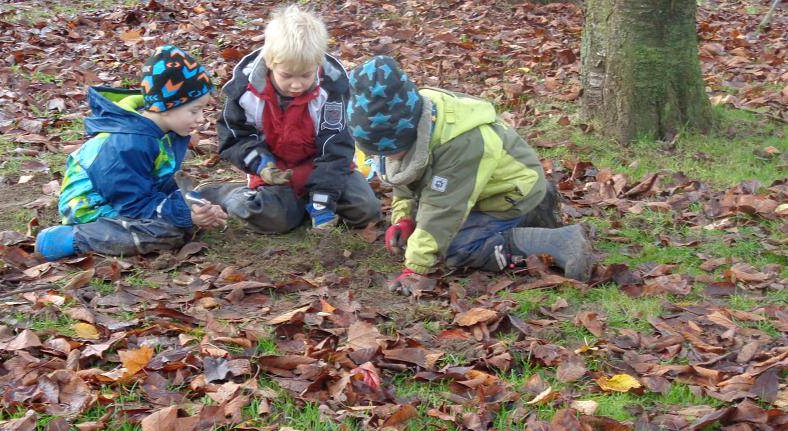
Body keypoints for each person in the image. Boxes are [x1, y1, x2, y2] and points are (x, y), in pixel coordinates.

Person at [346, 56, 593, 295]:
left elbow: (443, 211)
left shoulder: (460, 144)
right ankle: (537, 213)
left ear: (406, 135)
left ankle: (560, 241)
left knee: (456, 248)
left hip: (509, 194)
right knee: (430, 233)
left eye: (390, 151)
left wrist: (416, 267)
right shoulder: (416, 120)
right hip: (478, 189)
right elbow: (404, 176)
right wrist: (404, 218)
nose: (387, 158)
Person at [35, 45, 227, 261]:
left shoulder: (165, 131)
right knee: (167, 233)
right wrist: (185, 213)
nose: (201, 119)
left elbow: (161, 181)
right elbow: (132, 203)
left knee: (203, 200)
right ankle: (70, 238)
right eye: (194, 110)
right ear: (167, 106)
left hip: (133, 196)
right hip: (93, 208)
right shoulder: (128, 143)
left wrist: (195, 207)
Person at [199, 4, 380, 233]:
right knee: (275, 220)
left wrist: (323, 200)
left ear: (318, 63)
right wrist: (261, 164)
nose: (297, 85)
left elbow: (336, 148)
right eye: (287, 75)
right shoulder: (245, 91)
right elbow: (234, 138)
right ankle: (226, 193)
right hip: (276, 171)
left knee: (366, 209)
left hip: (321, 166)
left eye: (306, 75)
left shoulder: (332, 89)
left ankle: (311, 204)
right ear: (270, 62)